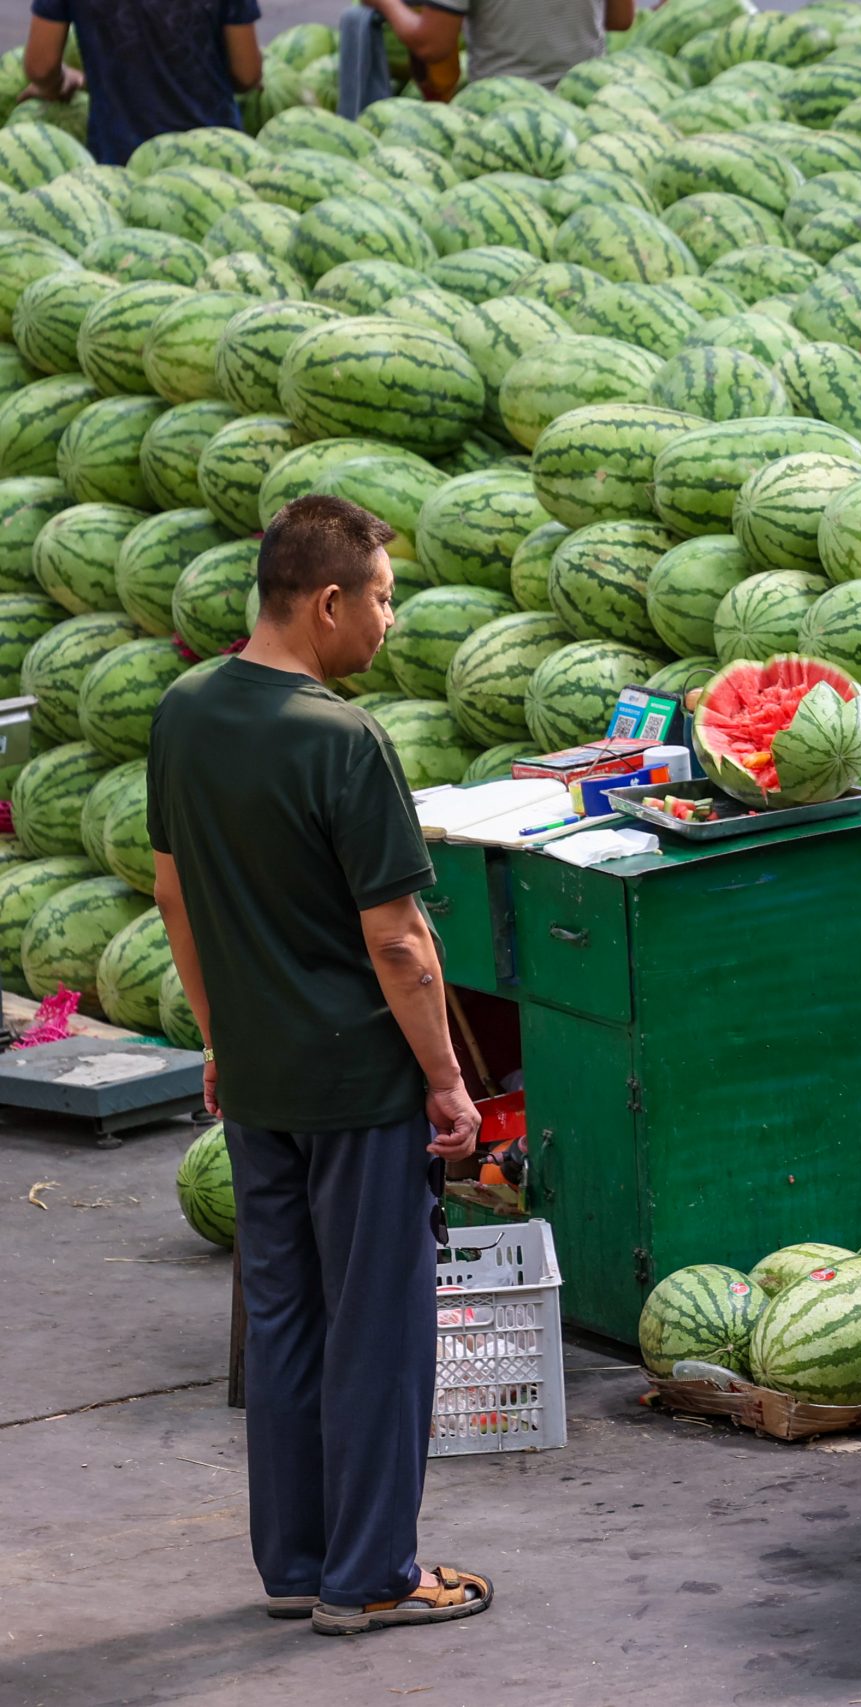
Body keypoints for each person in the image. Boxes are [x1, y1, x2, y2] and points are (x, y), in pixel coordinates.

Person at [151, 495, 492, 1639]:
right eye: (385, 598)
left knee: (286, 1319)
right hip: (357, 1089)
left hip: (256, 1081)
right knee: (379, 1333)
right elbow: (397, 940)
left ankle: (297, 1562)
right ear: (331, 600)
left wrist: (217, 1036)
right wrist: (447, 1081)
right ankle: (373, 1577)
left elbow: (173, 895)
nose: (389, 623)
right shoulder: (342, 739)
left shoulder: (187, 710)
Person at [17, 0, 261, 168]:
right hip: (217, 154)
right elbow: (247, 75)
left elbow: (41, 66)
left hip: (122, 156)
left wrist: (58, 82)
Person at [363, 0, 635, 94]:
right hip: (584, 102)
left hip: (503, 114)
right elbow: (620, 20)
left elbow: (432, 45)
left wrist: (387, 4)